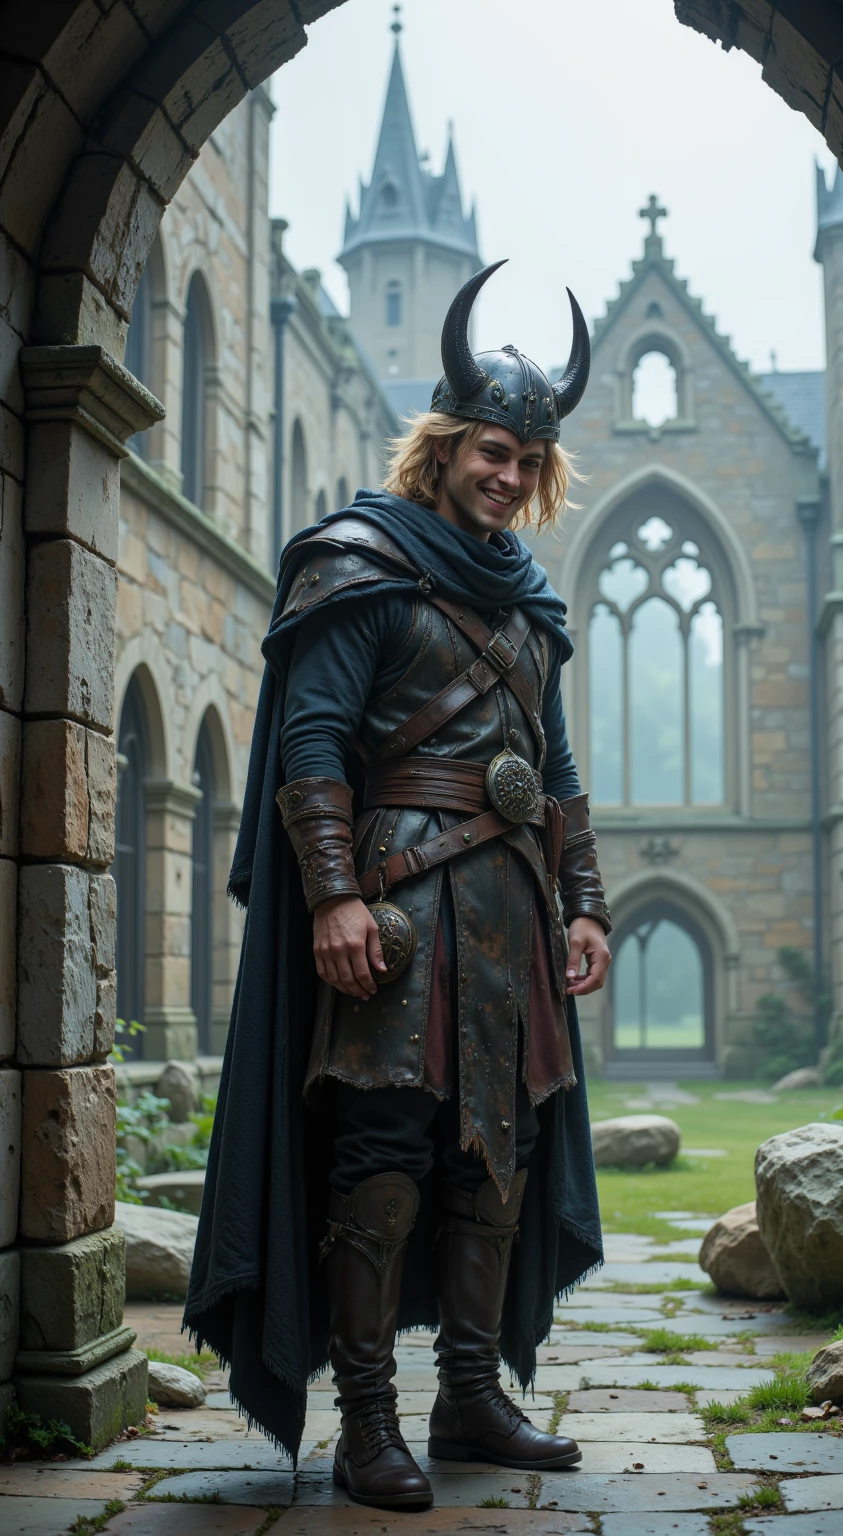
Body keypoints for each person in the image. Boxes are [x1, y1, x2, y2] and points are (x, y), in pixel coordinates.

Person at [185, 262, 611, 1512]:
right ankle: (366, 1423)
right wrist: (330, 896)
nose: (510, 476)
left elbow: (556, 764)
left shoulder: (527, 603)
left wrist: (582, 900)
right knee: (381, 1157)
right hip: (397, 906)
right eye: (493, 450)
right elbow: (313, 743)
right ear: (444, 445)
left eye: (529, 463)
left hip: (512, 912)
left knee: (499, 1157)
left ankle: (471, 1397)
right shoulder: (359, 560)